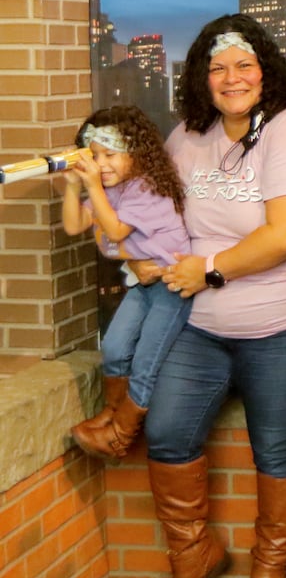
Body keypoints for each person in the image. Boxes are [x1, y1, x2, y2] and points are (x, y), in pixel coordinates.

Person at [141, 13, 286, 578]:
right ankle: (193, 555)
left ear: (265, 71)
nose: (231, 78)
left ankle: (271, 573)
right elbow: (159, 216)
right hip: (202, 323)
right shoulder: (187, 135)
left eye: (244, 65)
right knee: (168, 432)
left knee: (275, 449)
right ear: (201, 77)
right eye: (217, 67)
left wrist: (211, 269)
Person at [61, 105, 191, 461]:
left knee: (146, 358)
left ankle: (121, 433)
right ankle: (111, 412)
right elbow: (75, 226)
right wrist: (74, 187)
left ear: (137, 153)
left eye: (111, 155)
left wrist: (92, 186)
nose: (102, 165)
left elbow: (116, 230)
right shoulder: (109, 190)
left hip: (172, 286)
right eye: (94, 156)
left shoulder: (147, 188)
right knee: (116, 347)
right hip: (143, 283)